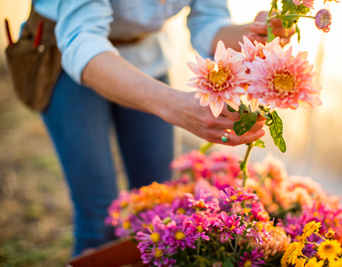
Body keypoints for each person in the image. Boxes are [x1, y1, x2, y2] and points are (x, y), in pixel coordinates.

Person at [32, 0, 293, 256]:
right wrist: (176, 107)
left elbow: (209, 20)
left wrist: (255, 35)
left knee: (158, 202)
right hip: (68, 54)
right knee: (99, 216)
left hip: (147, 53)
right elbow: (82, 40)